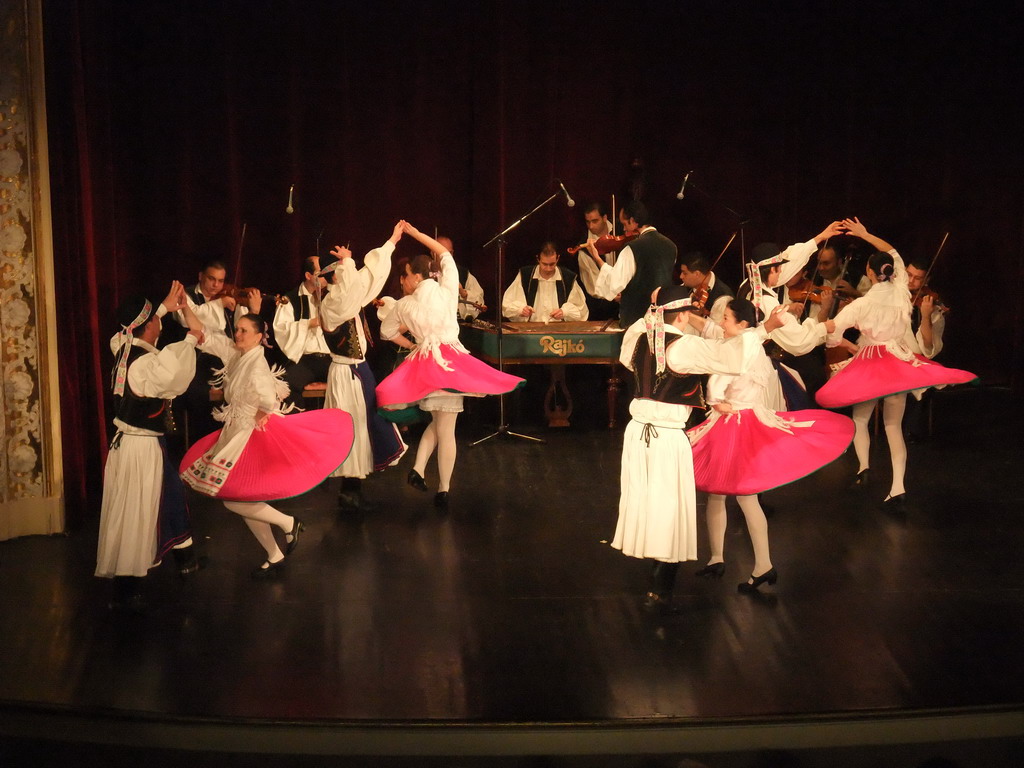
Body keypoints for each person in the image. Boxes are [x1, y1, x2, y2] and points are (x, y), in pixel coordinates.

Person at [610, 284, 786, 612]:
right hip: (665, 436)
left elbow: (631, 347)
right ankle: (660, 588)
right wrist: (763, 331)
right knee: (670, 508)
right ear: (683, 314)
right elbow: (730, 358)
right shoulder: (686, 346)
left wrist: (654, 308)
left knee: (646, 504)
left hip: (636, 434)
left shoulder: (637, 337)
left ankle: (656, 578)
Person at [685, 298, 854, 593]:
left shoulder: (738, 349)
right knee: (718, 493)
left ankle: (762, 565)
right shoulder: (749, 342)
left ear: (741, 324)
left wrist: (714, 401)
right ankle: (717, 557)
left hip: (737, 424)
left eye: (726, 318)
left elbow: (717, 385)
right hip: (742, 420)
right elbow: (751, 336)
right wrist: (769, 325)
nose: (721, 322)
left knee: (741, 496)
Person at [815, 218, 977, 510]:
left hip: (869, 362)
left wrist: (850, 345)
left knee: (860, 418)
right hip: (896, 362)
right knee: (892, 426)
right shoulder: (902, 288)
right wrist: (866, 234)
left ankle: (864, 467)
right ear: (892, 273)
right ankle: (898, 486)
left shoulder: (861, 304)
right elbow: (893, 252)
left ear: (869, 273)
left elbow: (833, 333)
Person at [180, 309, 354, 577]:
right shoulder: (238, 354)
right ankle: (274, 554)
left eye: (244, 331)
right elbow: (202, 333)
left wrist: (261, 412)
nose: (237, 334)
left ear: (259, 337)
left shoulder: (257, 364)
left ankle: (289, 523)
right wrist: (184, 308)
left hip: (248, 436)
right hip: (234, 431)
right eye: (236, 329)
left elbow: (269, 400)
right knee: (244, 498)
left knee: (233, 499)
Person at [377, 222, 525, 509]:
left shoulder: (405, 305)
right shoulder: (446, 289)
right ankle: (443, 487)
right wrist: (417, 234)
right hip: (449, 362)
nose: (403, 281)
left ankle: (420, 469)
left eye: (406, 276)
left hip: (425, 365)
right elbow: (444, 254)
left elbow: (386, 332)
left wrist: (412, 345)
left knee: (440, 422)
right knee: (446, 428)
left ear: (417, 277)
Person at [97, 283, 204, 611]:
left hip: (131, 445)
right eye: (156, 320)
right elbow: (176, 371)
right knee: (137, 511)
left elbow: (130, 334)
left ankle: (185, 558)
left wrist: (164, 309)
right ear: (148, 327)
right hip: (141, 448)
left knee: (167, 497)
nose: (160, 323)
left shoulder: (123, 348)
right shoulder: (147, 364)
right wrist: (190, 337)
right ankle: (128, 584)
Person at [318, 224, 409, 513]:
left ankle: (354, 485)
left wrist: (391, 242)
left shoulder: (348, 298)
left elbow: (369, 278)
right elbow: (354, 287)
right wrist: (347, 262)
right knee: (351, 428)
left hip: (358, 372)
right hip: (346, 374)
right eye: (344, 274)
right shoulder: (333, 303)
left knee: (364, 425)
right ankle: (350, 487)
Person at [175, 258, 248, 440]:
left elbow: (242, 327)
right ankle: (202, 441)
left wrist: (250, 308)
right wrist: (218, 305)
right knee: (197, 393)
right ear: (201, 276)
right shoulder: (186, 296)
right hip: (197, 357)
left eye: (221, 280)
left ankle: (234, 439)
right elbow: (188, 318)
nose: (216, 285)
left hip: (226, 355)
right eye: (211, 279)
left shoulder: (229, 297)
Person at [586, 200, 676, 328]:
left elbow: (615, 282)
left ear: (633, 221)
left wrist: (597, 258)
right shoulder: (671, 246)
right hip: (662, 318)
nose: (623, 229)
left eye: (624, 224)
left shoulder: (633, 247)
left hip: (637, 319)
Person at [272, 256, 332, 409]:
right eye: (321, 273)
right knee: (284, 385)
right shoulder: (290, 299)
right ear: (308, 275)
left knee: (356, 379)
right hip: (306, 360)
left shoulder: (331, 296)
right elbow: (281, 329)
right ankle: (297, 427)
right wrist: (308, 324)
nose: (326, 277)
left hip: (331, 359)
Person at [501, 240, 589, 323]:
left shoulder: (568, 278)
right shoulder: (525, 275)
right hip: (530, 330)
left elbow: (582, 310)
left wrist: (565, 312)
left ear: (557, 258)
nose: (548, 268)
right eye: (544, 264)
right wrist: (521, 310)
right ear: (538, 259)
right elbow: (507, 305)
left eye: (552, 264)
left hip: (559, 332)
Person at [575, 202, 620, 320]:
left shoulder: (619, 229)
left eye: (595, 221)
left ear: (605, 218)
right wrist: (614, 294)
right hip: (604, 307)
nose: (591, 226)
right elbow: (593, 286)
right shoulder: (584, 249)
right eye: (588, 222)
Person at [432, 236, 486, 322]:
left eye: (448, 253)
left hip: (458, 324)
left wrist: (463, 293)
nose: (446, 257)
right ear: (433, 253)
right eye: (441, 253)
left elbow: (479, 298)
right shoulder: (425, 273)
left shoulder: (462, 273)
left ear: (452, 253)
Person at [678, 251, 734, 327]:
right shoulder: (685, 287)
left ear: (697, 274)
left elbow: (716, 332)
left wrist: (699, 315)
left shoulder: (722, 298)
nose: (681, 276)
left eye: (685, 273)